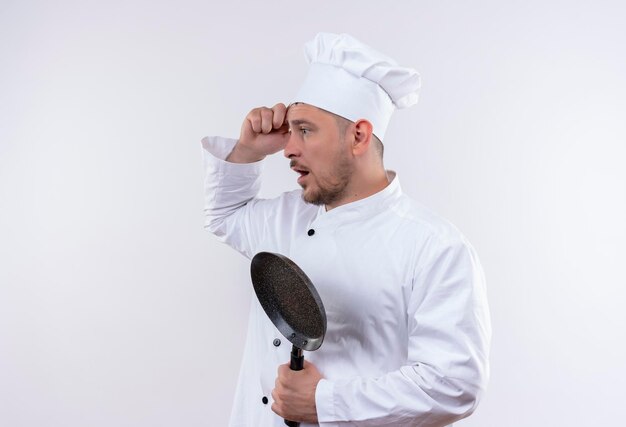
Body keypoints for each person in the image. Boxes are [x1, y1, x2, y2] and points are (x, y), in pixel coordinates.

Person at [201, 33, 491, 427]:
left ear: (358, 136)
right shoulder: (288, 216)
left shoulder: (433, 246)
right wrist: (248, 153)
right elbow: (224, 216)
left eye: (305, 130)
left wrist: (325, 403)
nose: (287, 148)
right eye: (290, 130)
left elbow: (453, 384)